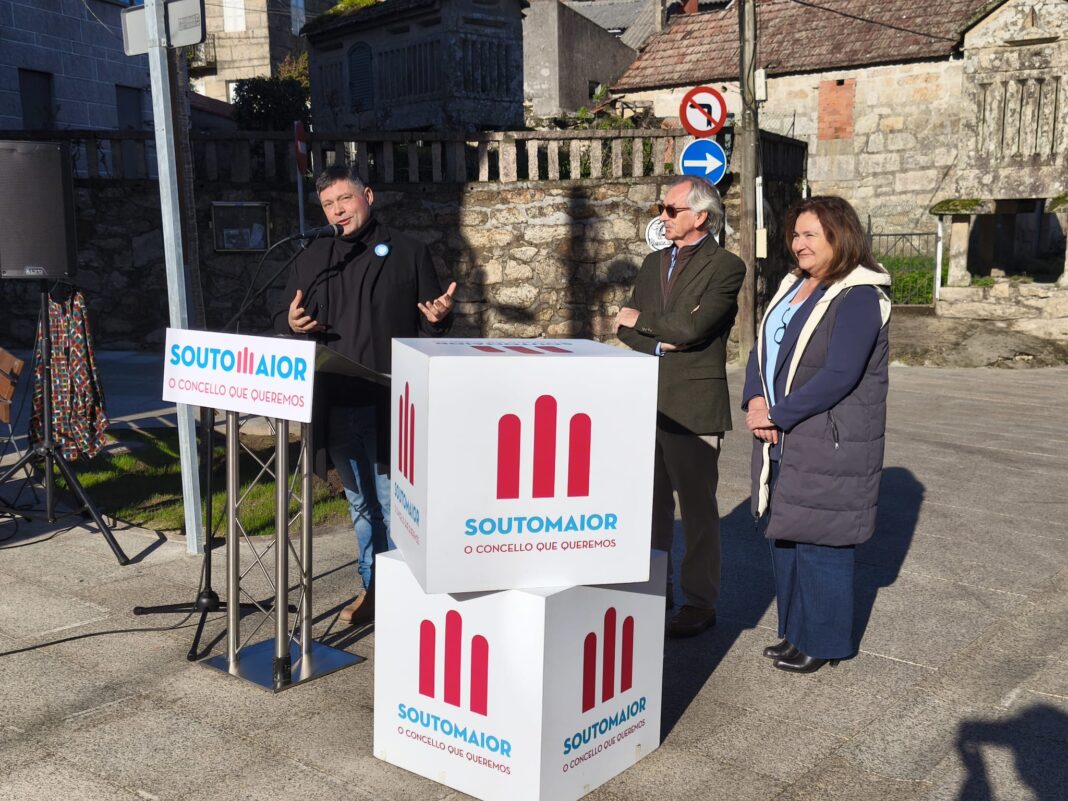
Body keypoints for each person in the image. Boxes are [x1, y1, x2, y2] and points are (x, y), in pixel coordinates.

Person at [275, 164, 456, 625]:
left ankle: (405, 594)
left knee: (395, 504)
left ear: (368, 196)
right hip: (334, 400)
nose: (337, 211)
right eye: (328, 204)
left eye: (345, 199)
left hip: (388, 402)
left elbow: (431, 322)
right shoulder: (313, 256)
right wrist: (290, 323)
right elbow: (282, 314)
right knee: (359, 504)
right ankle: (372, 587)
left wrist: (438, 318)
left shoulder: (409, 252)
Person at [742, 195, 891, 673]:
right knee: (786, 535)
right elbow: (760, 351)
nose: (798, 243)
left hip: (827, 436)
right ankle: (794, 632)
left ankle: (822, 642)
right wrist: (756, 400)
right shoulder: (794, 285)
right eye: (795, 234)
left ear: (839, 236)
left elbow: (839, 374)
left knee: (821, 541)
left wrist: (778, 414)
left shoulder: (859, 295)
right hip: (784, 430)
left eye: (810, 234)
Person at [615, 176, 745, 638]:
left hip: (693, 405)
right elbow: (623, 327)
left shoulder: (726, 266)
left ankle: (699, 602)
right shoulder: (653, 263)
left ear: (701, 216)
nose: (662, 216)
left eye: (671, 209)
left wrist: (646, 322)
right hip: (647, 400)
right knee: (650, 507)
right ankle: (656, 590)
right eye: (662, 208)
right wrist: (658, 339)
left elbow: (694, 329)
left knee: (697, 512)